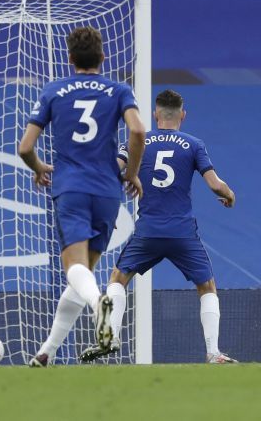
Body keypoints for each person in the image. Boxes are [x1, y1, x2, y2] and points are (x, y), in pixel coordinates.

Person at [17, 26, 146, 367]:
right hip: (107, 190)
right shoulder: (119, 89)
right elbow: (136, 130)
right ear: (103, 57)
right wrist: (131, 172)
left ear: (70, 58)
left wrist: (40, 166)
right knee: (83, 273)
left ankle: (98, 304)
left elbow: (25, 147)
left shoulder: (54, 90)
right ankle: (48, 351)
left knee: (74, 269)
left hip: (71, 186)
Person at [80, 89, 237, 364]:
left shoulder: (137, 141)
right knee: (207, 286)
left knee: (118, 278)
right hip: (182, 233)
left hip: (148, 231)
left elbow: (110, 171)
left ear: (155, 114)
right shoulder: (193, 144)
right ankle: (213, 352)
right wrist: (229, 194)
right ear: (183, 115)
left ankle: (112, 335)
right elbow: (214, 184)